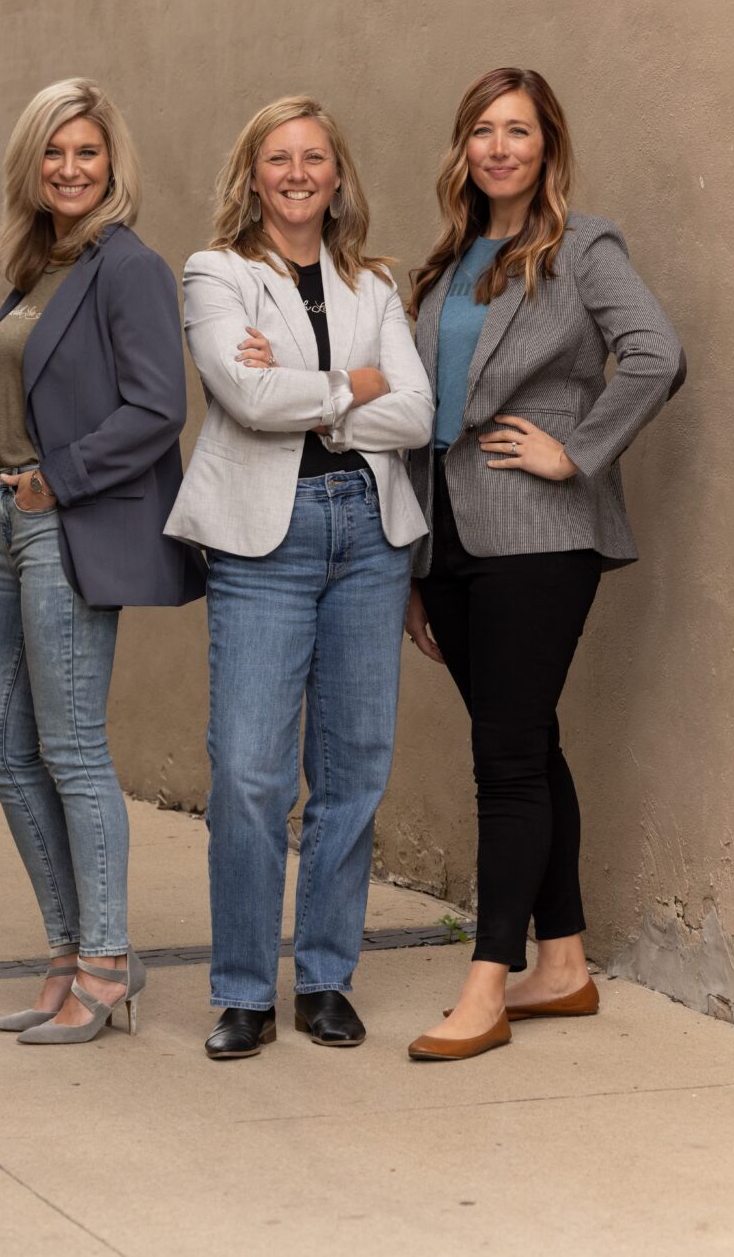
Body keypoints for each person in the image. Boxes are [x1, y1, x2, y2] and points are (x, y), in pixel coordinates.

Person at [404, 67, 685, 1063]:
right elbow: (420, 413)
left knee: (505, 758)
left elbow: (655, 353)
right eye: (481, 129)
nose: (498, 147)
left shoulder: (581, 247)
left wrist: (576, 449)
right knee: (524, 741)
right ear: (462, 149)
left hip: (540, 535)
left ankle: (486, 981)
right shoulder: (442, 263)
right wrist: (410, 564)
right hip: (449, 537)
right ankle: (560, 965)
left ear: (546, 146)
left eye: (517, 130)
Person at [165, 95, 433, 1058]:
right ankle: (243, 990)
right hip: (261, 545)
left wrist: (312, 398)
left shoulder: (374, 283)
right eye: (278, 157)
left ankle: (325, 978)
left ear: (337, 174)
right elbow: (241, 395)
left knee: (354, 769)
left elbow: (418, 411)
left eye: (315, 157)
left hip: (368, 534)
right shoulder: (216, 274)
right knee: (247, 772)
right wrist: (352, 386)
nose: (297, 173)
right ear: (253, 173)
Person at [0, 78, 205, 1046]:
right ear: (33, 165)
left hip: (66, 527)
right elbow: (23, 379)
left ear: (113, 167)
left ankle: (105, 964)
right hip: (9, 519)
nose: (70, 169)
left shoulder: (129, 267)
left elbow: (157, 409)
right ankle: (73, 949)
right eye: (54, 153)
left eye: (87, 154)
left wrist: (56, 480)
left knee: (69, 748)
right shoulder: (39, 265)